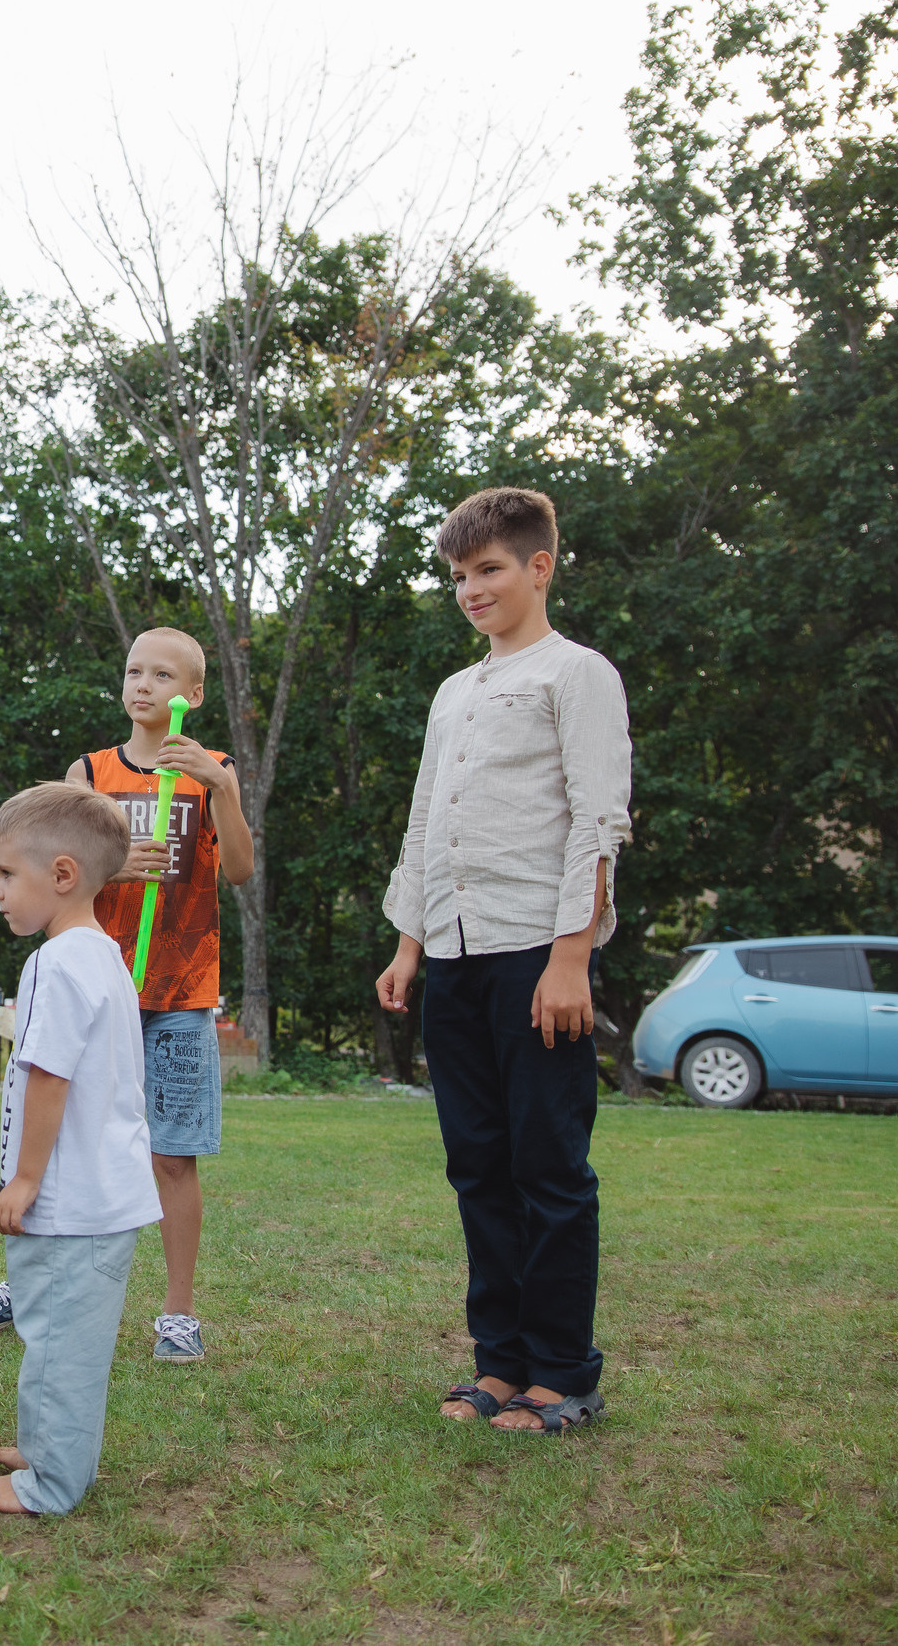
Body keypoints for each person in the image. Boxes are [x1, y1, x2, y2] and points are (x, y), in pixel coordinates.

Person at [372, 487, 631, 1435]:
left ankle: (564, 1372)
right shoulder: (455, 693)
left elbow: (598, 824)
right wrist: (410, 943)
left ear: (539, 567)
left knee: (548, 1166)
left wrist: (572, 961)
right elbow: (425, 819)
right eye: (459, 576)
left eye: (488, 571)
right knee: (477, 1165)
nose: (471, 590)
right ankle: (499, 1360)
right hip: (453, 955)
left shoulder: (578, 675)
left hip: (539, 953)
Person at [0, 627, 253, 1362]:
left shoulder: (213, 771)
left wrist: (225, 789)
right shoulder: (88, 771)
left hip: (181, 989)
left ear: (195, 694)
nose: (142, 684)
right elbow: (58, 864)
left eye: (162, 674)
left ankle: (177, 1312)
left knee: (173, 1153)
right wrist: (118, 869)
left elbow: (238, 871)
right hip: (99, 986)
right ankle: (31, 1278)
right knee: (57, 1136)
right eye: (133, 670)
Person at [0, 782, 162, 1515]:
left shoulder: (58, 962)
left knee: (58, 1340)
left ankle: (49, 1482)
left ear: (63, 874)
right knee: (63, 1336)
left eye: (7, 873)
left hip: (72, 1200)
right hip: (97, 1196)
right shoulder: (99, 954)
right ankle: (50, 1442)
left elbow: (49, 1075)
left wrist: (25, 1179)